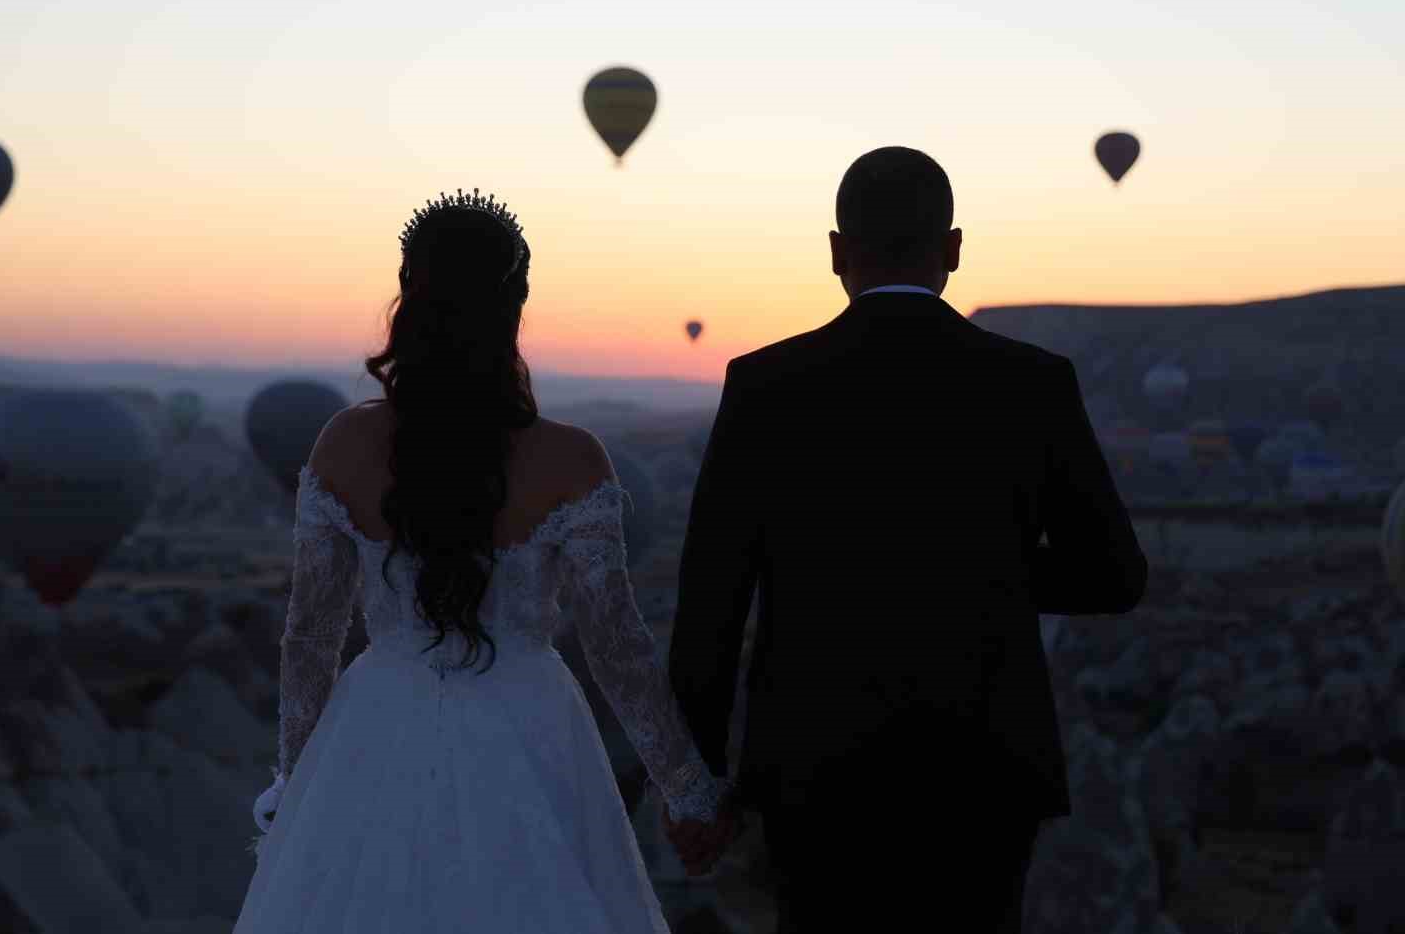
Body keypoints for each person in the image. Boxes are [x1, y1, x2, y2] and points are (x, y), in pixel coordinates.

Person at [665, 148, 1149, 932]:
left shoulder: (764, 386)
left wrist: (693, 782)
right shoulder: (1034, 381)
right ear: (953, 250)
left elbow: (711, 607)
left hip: (815, 767)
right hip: (984, 768)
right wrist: (992, 568)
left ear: (835, 251)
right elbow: (1117, 576)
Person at [233, 190, 741, 934]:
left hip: (375, 726)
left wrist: (295, 781)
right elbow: (618, 649)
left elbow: (311, 639)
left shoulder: (342, 445)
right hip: (532, 724)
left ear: (409, 297)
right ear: (517, 305)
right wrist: (686, 788)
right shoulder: (572, 460)